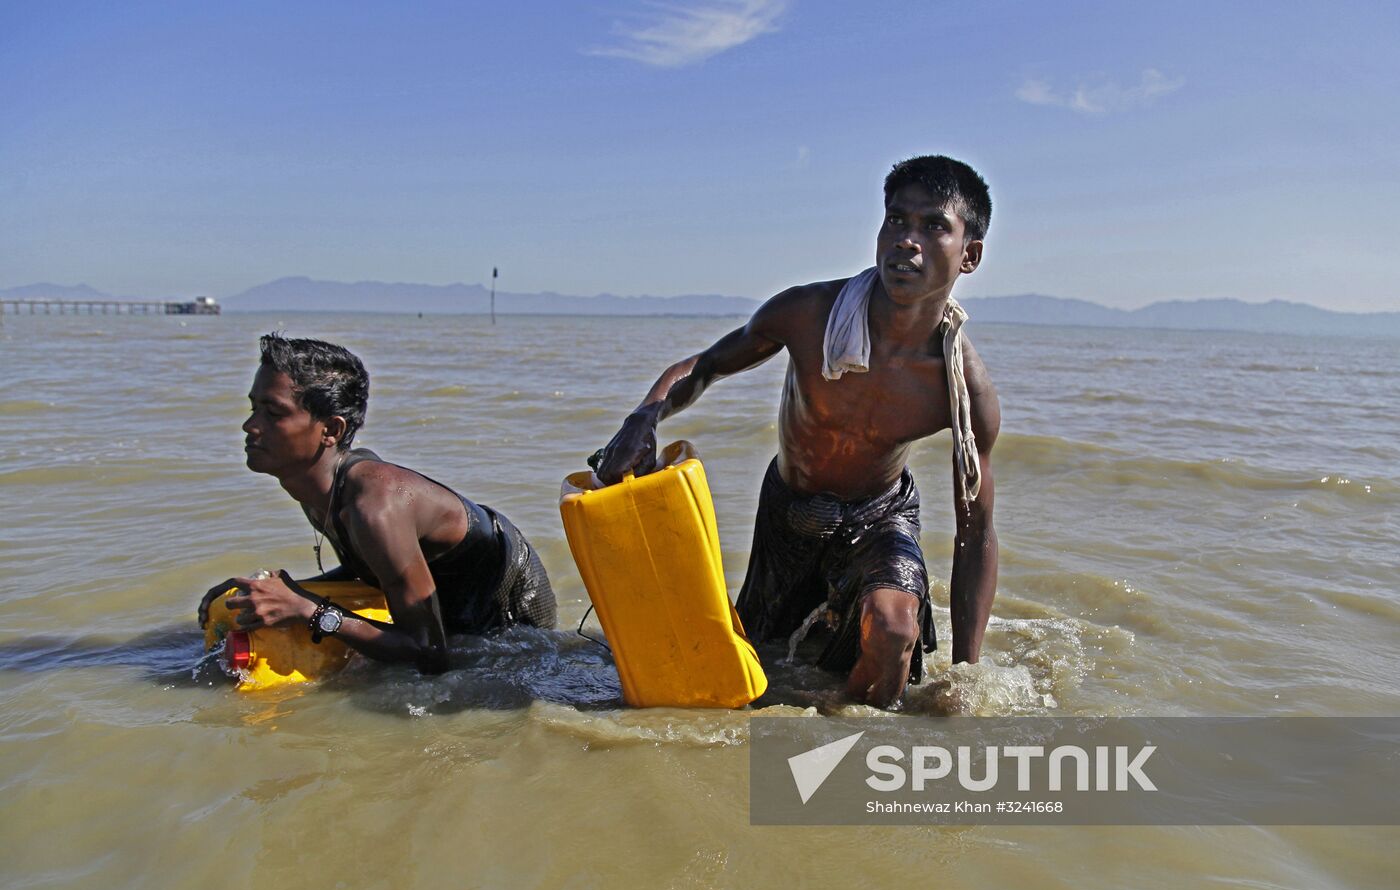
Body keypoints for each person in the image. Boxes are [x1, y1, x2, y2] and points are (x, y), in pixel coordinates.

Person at [593, 155, 999, 707]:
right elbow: (708, 365)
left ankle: (850, 735)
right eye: (897, 221)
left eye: (933, 226)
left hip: (880, 514)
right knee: (759, 664)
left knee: (894, 633)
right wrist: (645, 416)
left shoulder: (961, 388)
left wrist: (967, 676)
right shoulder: (809, 314)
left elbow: (974, 533)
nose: (908, 239)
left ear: (969, 255)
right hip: (790, 509)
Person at [197, 334, 556, 673]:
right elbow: (370, 568)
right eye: (253, 408)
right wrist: (270, 590)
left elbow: (430, 653)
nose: (249, 425)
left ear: (331, 431)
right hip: (447, 586)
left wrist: (306, 608)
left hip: (509, 597)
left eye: (273, 414)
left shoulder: (375, 508)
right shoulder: (314, 486)